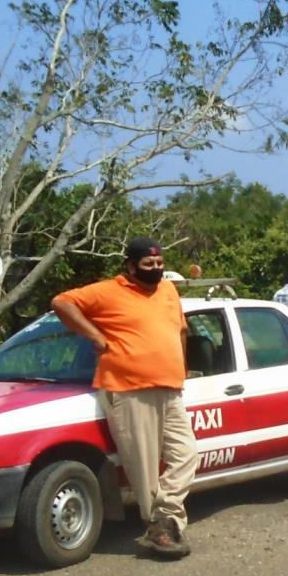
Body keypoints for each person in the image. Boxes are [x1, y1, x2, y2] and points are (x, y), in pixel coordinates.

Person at [51, 237, 199, 559]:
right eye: (148, 265)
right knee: (144, 471)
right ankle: (162, 529)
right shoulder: (107, 291)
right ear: (131, 267)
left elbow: (181, 331)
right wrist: (95, 335)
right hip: (129, 389)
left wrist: (182, 367)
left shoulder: (169, 291)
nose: (156, 270)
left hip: (170, 389)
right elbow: (62, 302)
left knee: (187, 454)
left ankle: (164, 519)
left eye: (160, 264)